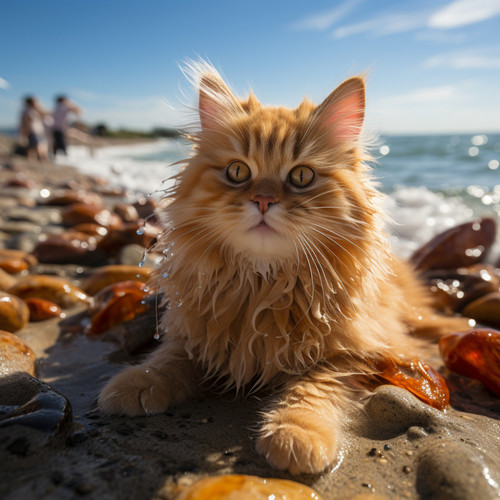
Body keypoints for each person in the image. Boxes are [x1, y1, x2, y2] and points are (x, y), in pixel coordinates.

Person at [18, 96, 49, 161]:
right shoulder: (28, 111)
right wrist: (25, 133)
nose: (38, 103)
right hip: (32, 131)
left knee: (36, 147)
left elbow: (45, 115)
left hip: (37, 131)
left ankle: (35, 161)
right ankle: (35, 161)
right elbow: (27, 122)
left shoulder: (31, 110)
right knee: (34, 147)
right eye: (36, 101)